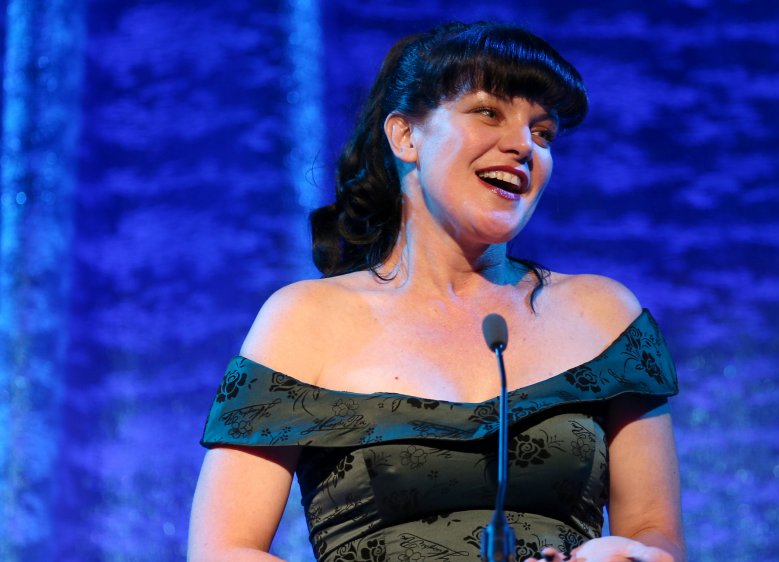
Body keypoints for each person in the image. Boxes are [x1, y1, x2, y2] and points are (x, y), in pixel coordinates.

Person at [189, 21, 684, 562]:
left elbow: (656, 534)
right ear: (406, 136)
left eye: (543, 133)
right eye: (488, 112)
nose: (523, 146)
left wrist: (626, 557)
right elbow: (225, 550)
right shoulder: (304, 320)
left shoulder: (603, 315)